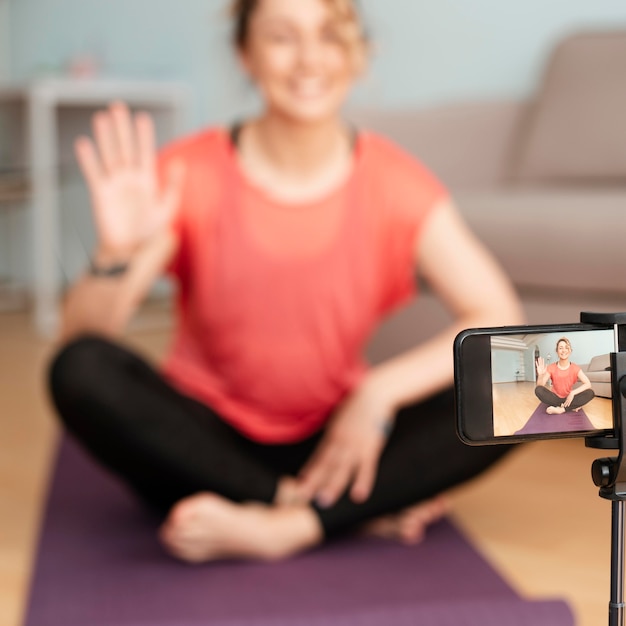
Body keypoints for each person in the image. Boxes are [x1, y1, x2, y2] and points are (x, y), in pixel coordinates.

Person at [48, 0, 524, 564]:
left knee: (539, 382)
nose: (308, 60)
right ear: (244, 54)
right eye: (281, 37)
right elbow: (84, 341)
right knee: (77, 368)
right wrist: (114, 254)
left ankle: (286, 525)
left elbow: (501, 320)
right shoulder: (188, 172)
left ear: (356, 53)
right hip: (203, 446)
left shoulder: (398, 183)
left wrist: (379, 392)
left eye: (327, 35)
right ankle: (314, 511)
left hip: (336, 442)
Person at [535, 337, 595, 414]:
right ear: (557, 351)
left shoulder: (575, 367)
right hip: (555, 399)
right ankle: (571, 407)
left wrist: (572, 393)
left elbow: (588, 384)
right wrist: (540, 375)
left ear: (570, 351)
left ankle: (561, 409)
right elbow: (540, 386)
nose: (564, 350)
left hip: (569, 399)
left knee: (590, 393)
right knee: (538, 390)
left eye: (566, 348)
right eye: (560, 348)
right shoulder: (551, 367)